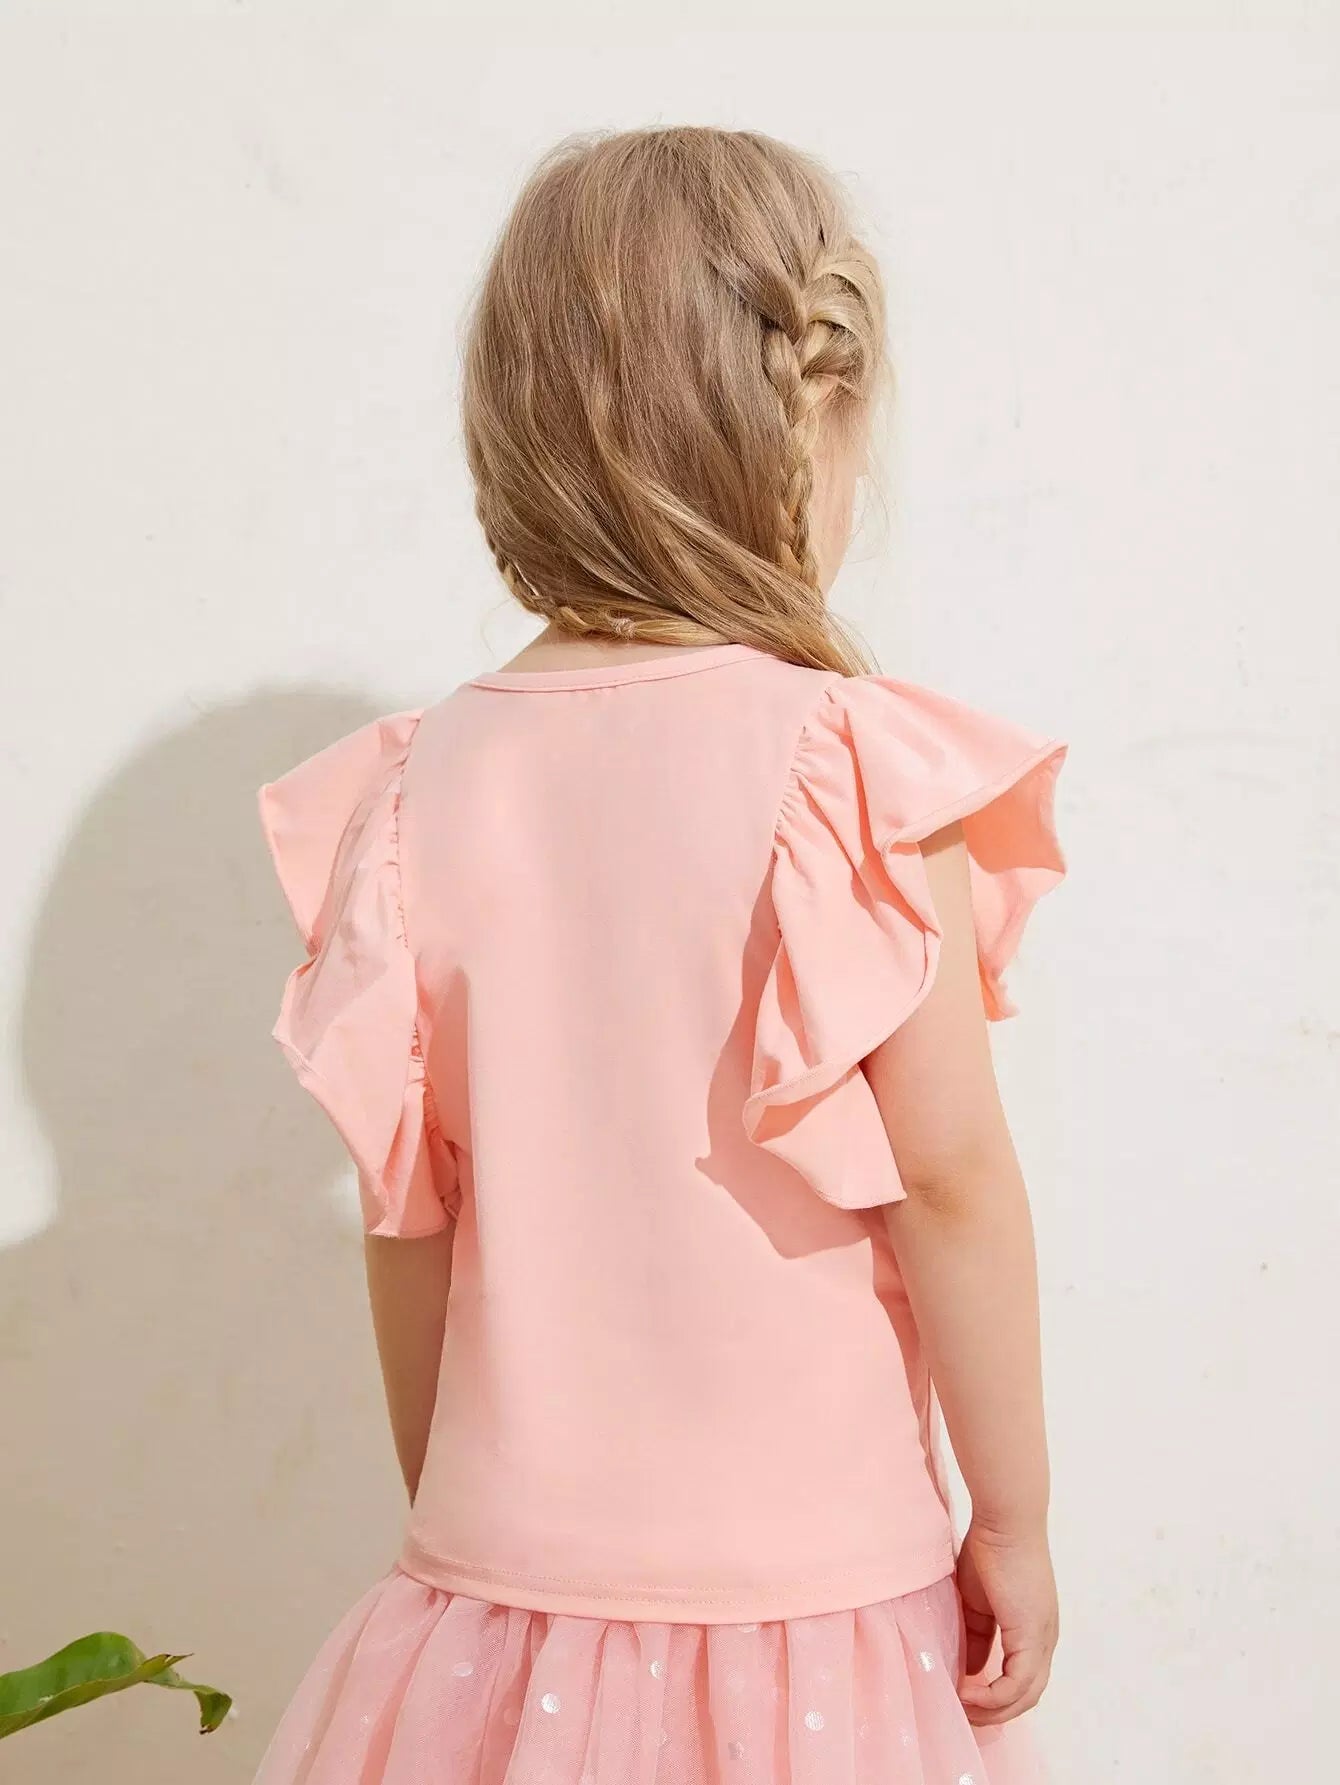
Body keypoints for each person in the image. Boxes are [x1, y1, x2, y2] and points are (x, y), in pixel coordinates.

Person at [252, 126, 1066, 1785]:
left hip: (500, 1601)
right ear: (812, 420)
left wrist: (472, 1531)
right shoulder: (852, 768)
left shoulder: (411, 793)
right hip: (820, 1612)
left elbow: (411, 1218)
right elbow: (955, 1179)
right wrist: (1017, 1517)